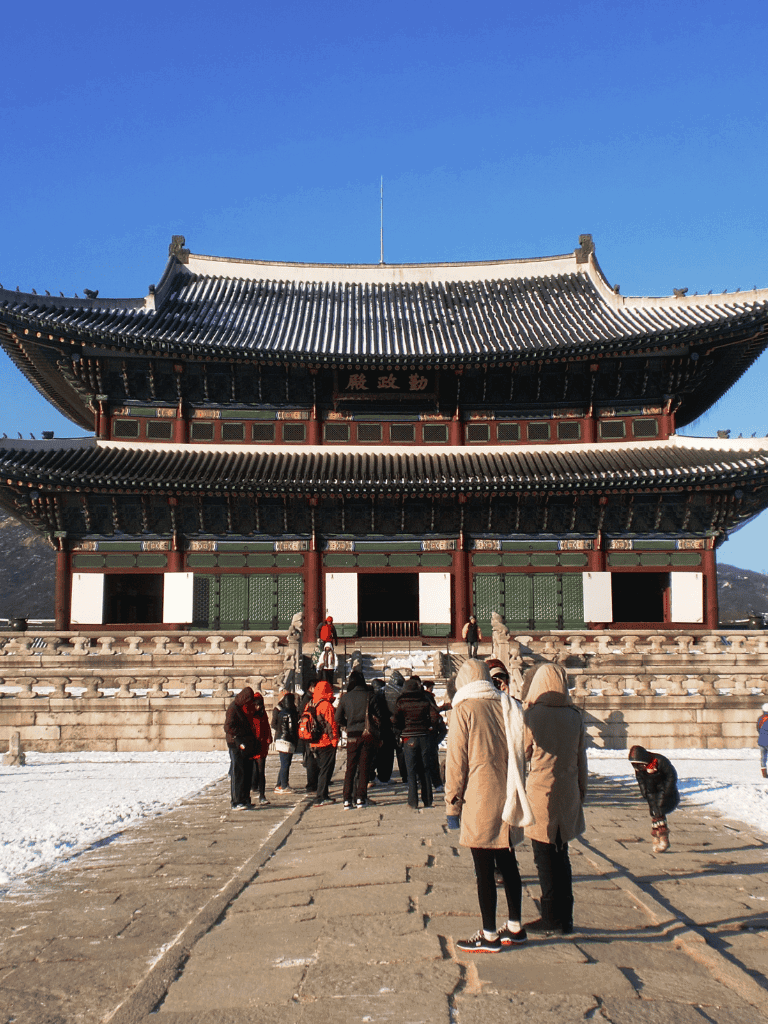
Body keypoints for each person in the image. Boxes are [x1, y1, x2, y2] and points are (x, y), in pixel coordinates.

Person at [445, 659, 534, 954]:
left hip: (479, 796)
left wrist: (452, 803)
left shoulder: (465, 709)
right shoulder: (508, 705)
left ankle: (488, 934)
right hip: (509, 792)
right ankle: (516, 927)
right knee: (508, 864)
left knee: (483, 869)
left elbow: (456, 762)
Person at [524, 662, 587, 935]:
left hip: (541, 791)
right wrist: (581, 793)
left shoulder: (532, 716)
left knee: (544, 856)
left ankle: (551, 915)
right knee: (563, 855)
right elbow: (581, 759)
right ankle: (567, 916)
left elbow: (522, 752)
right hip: (568, 791)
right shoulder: (575, 716)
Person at [393, 675, 441, 810]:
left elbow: (395, 720)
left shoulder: (401, 703)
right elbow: (434, 716)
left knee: (411, 770)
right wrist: (429, 726)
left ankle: (413, 801)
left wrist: (402, 728)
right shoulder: (424, 701)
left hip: (409, 737)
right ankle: (427, 799)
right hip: (424, 736)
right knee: (425, 768)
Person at [335, 669, 378, 808]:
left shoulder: (345, 697)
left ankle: (347, 798)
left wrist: (347, 725)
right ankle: (360, 797)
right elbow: (379, 715)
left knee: (350, 768)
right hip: (366, 735)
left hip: (352, 735)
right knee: (364, 767)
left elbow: (337, 718)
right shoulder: (369, 695)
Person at [628, 745, 680, 852]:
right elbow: (641, 781)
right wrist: (644, 792)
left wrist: (653, 775)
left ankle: (663, 838)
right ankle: (657, 837)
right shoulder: (639, 767)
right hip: (651, 792)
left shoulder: (660, 761)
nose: (639, 768)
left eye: (640, 765)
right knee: (654, 814)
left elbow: (671, 777)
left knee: (659, 812)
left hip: (664, 791)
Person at [223, 685, 259, 809]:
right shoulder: (233, 708)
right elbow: (228, 727)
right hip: (235, 743)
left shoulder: (244, 707)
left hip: (246, 744)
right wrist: (241, 733)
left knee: (247, 772)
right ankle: (236, 801)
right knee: (238, 772)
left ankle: (245, 798)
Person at [309, 677, 340, 806]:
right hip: (325, 742)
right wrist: (335, 740)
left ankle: (322, 794)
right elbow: (331, 725)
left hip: (313, 741)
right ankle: (321, 796)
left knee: (321, 769)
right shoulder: (326, 705)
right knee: (326, 770)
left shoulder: (311, 703)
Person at [243, 691, 273, 805]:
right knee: (249, 772)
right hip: (251, 745)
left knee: (261, 772)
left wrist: (268, 739)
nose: (258, 707)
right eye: (256, 704)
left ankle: (262, 795)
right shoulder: (248, 713)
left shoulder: (263, 713)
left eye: (260, 705)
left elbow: (266, 727)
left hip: (261, 746)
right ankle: (247, 795)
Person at [422, 679, 447, 791]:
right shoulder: (427, 696)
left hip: (422, 730)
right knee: (432, 760)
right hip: (430, 730)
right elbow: (434, 710)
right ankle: (437, 783)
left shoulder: (420, 696)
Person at [271, 690, 298, 793]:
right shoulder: (285, 711)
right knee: (285, 763)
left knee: (284, 763)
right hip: (286, 740)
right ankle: (284, 785)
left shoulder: (282, 711)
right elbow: (291, 729)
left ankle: (279, 784)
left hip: (280, 738)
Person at [757, 703, 768, 779]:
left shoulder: (760, 718)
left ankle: (764, 772)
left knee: (763, 757)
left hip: (761, 740)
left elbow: (758, 728)